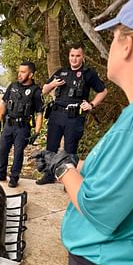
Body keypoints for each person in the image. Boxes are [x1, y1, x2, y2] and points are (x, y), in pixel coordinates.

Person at [32, 0, 133, 265]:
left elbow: (100, 208)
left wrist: (64, 169)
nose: (111, 44)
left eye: (114, 36)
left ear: (128, 45)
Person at [36, 43, 108, 185]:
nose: (74, 59)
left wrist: (91, 104)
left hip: (74, 117)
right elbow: (44, 90)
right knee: (51, 146)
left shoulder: (89, 74)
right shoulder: (61, 72)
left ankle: (70, 181)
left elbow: (103, 91)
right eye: (72, 56)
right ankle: (49, 175)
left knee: (70, 150)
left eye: (78, 56)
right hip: (56, 115)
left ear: (83, 57)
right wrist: (52, 85)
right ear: (69, 56)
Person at [0, 61, 44, 188]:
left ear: (31, 75)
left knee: (18, 153)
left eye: (23, 72)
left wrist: (36, 132)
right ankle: (1, 173)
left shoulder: (35, 91)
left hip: (23, 127)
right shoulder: (12, 86)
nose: (19, 74)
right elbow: (4, 103)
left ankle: (14, 178)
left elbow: (40, 113)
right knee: (3, 150)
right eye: (19, 71)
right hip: (8, 124)